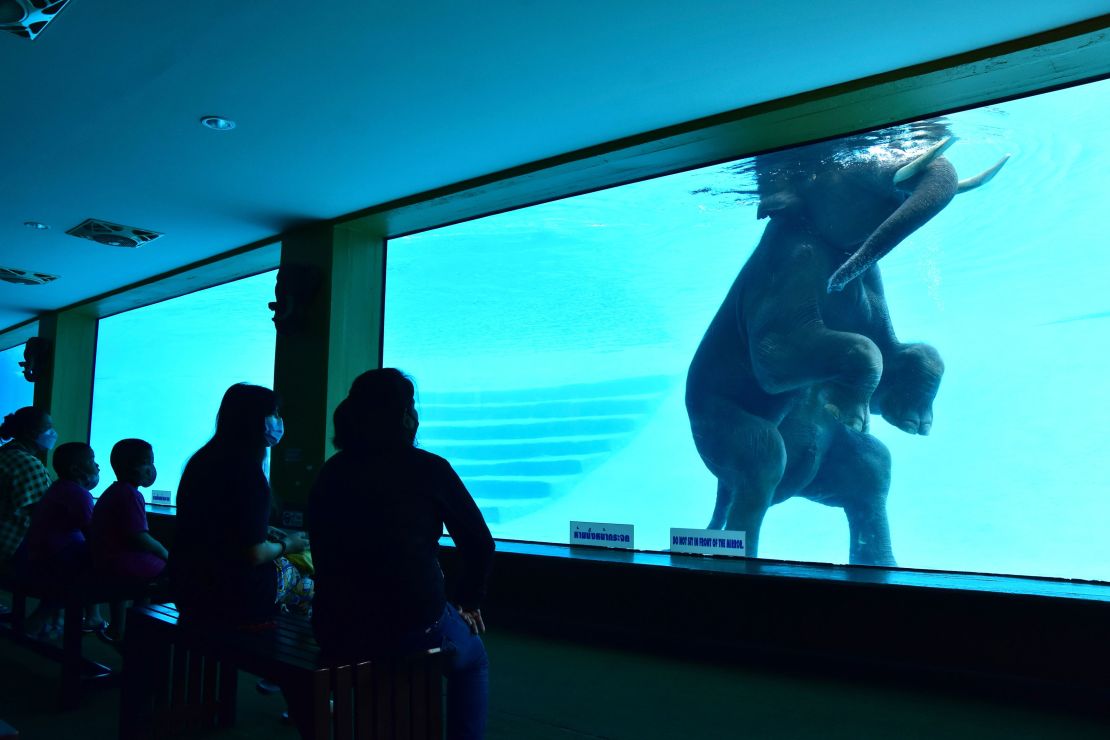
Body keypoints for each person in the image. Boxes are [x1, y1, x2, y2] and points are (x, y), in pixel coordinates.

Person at [309, 369, 494, 740]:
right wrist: (468, 601)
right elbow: (480, 543)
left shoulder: (332, 471)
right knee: (473, 660)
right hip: (410, 622)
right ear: (405, 415)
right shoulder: (429, 468)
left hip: (336, 625)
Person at [168, 384, 309, 628]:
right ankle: (292, 651)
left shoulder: (200, 461)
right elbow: (254, 553)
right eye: (274, 413)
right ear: (254, 420)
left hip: (186, 588)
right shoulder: (247, 472)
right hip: (228, 595)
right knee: (304, 575)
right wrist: (289, 544)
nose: (279, 421)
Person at [21, 442, 103, 638]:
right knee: (92, 561)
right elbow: (93, 533)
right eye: (92, 461)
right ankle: (41, 619)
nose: (97, 466)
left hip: (39, 555)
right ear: (76, 469)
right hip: (57, 560)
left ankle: (88, 616)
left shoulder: (59, 488)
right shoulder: (79, 495)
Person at [90, 439, 169, 642]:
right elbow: (138, 537)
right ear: (134, 468)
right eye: (149, 462)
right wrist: (164, 552)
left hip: (105, 558)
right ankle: (141, 629)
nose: (152, 468)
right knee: (165, 572)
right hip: (122, 561)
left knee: (128, 586)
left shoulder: (113, 491)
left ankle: (119, 627)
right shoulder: (130, 495)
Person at [0, 408, 56, 571]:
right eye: (48, 428)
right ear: (31, 433)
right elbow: (45, 512)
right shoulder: (27, 463)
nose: (53, 433)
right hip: (11, 547)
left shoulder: (6, 454)